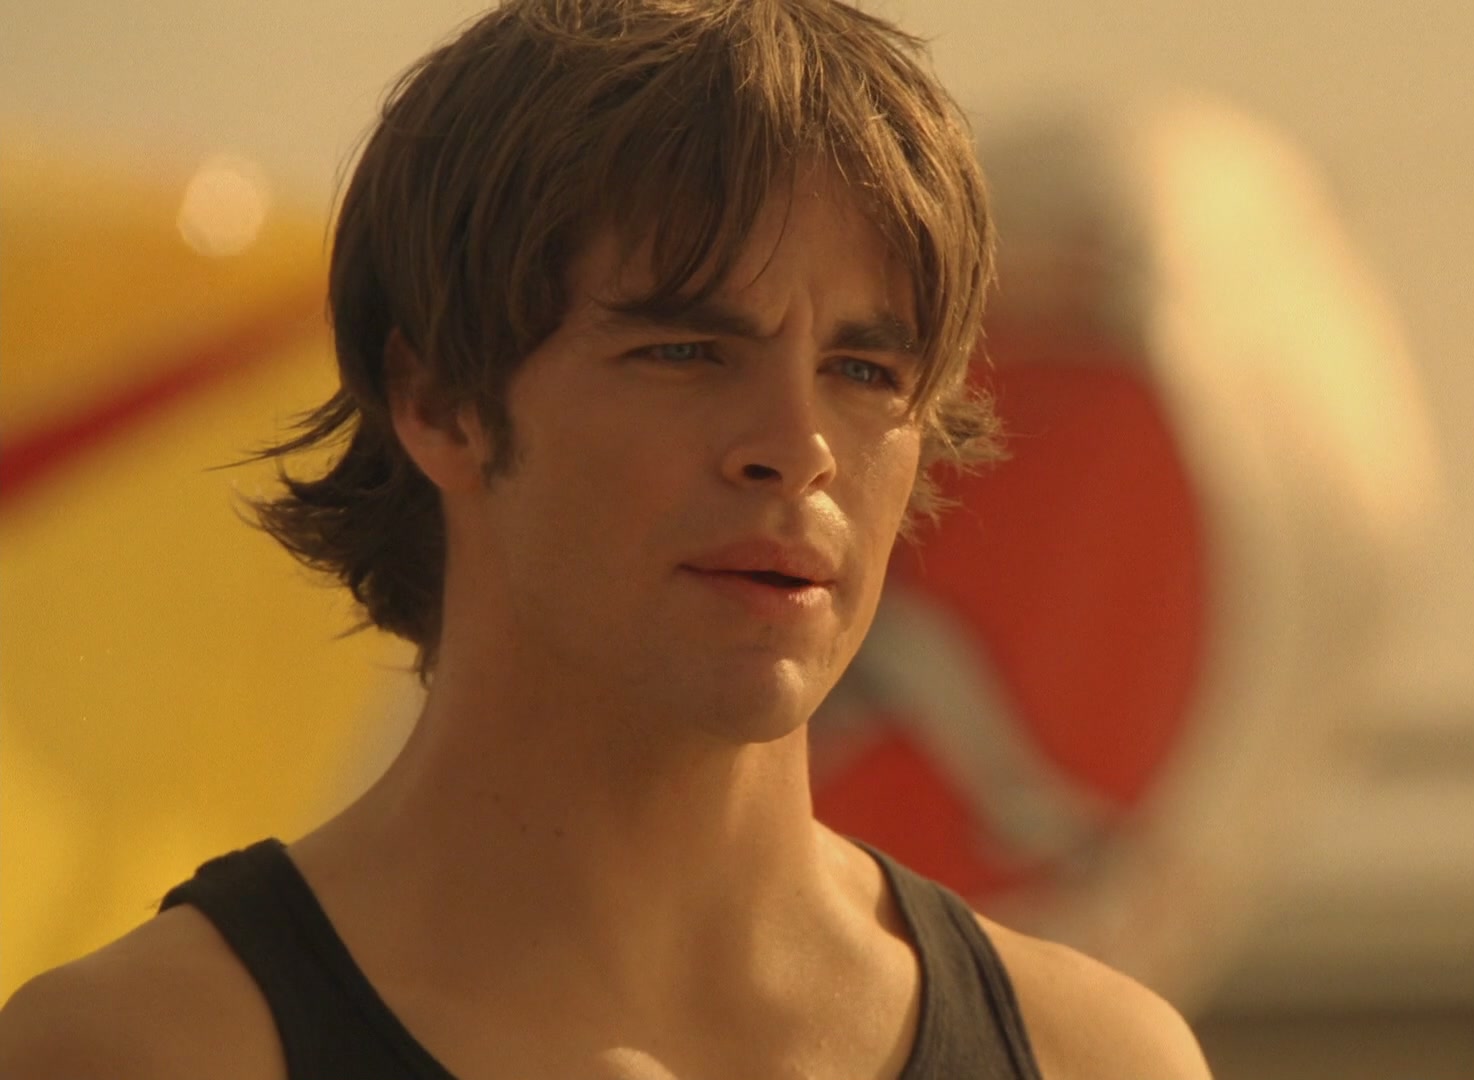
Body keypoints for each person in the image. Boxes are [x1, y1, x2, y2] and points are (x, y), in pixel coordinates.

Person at [0, 1, 1213, 1077]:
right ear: (439, 402)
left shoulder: (1098, 1061)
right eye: (687, 351)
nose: (797, 446)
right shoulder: (152, 1052)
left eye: (863, 369)